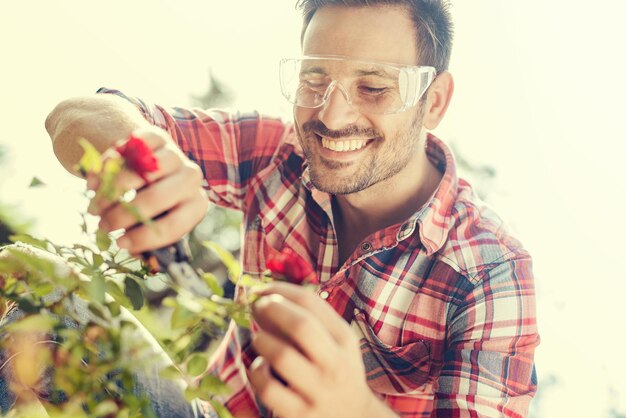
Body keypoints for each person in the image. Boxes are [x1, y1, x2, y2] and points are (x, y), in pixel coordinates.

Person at [45, 0, 540, 417]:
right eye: (314, 79)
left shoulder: (489, 271)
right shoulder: (274, 154)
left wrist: (355, 408)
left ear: (433, 102)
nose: (331, 114)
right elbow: (76, 114)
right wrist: (143, 151)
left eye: (373, 87)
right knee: (38, 285)